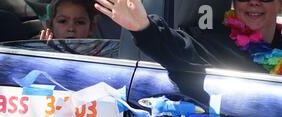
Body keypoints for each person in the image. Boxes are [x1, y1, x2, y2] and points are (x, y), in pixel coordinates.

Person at [94, 0, 282, 74]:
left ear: (279, 4)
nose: (254, 2)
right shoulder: (217, 42)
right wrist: (143, 28)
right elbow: (179, 51)